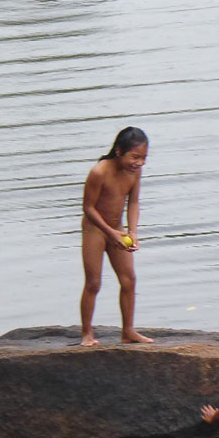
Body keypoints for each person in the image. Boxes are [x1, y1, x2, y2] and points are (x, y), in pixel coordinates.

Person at [80, 126, 155, 346]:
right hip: (96, 230)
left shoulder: (135, 172)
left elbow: (133, 202)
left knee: (129, 279)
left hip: (118, 229)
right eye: (134, 157)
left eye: (143, 158)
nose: (139, 163)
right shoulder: (99, 172)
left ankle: (128, 331)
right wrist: (109, 232)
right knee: (93, 283)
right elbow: (88, 208)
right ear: (119, 151)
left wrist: (132, 231)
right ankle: (86, 333)